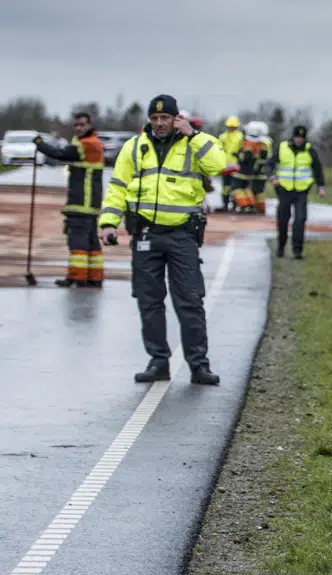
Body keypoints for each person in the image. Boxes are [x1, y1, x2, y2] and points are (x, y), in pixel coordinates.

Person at [99, 94, 227, 386]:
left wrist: (192, 135)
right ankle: (158, 362)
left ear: (176, 119)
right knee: (148, 300)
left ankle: (199, 365)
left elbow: (217, 164)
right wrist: (108, 222)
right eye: (154, 118)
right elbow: (118, 187)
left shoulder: (193, 145)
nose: (159, 123)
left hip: (182, 235)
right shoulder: (135, 148)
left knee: (190, 300)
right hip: (145, 234)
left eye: (165, 118)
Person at [33, 111, 106, 288]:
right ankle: (94, 277)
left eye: (82, 124)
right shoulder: (91, 143)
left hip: (82, 203)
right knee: (91, 242)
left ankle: (77, 277)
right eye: (76, 125)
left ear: (89, 125)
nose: (79, 128)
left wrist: (40, 144)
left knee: (78, 242)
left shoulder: (86, 145)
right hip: (89, 204)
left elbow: (60, 154)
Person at [266, 125, 326, 259]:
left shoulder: (310, 150)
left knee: (300, 220)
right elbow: (269, 164)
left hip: (301, 190)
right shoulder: (282, 147)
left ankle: (297, 251)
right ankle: (281, 246)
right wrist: (272, 177)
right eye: (297, 137)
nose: (299, 140)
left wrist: (321, 186)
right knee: (282, 219)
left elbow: (317, 169)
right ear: (293, 137)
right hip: (284, 189)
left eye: (302, 138)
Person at [232, 122, 270, 214]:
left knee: (237, 189)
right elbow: (263, 158)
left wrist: (238, 156)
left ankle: (246, 206)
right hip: (260, 172)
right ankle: (258, 208)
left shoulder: (249, 144)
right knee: (257, 191)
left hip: (245, 172)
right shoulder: (264, 144)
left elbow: (247, 158)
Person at [218, 115, 244, 212]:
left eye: (233, 127)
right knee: (225, 187)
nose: (231, 128)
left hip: (236, 164)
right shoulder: (222, 136)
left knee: (235, 187)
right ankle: (225, 205)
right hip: (225, 164)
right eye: (230, 126)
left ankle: (234, 205)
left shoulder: (241, 137)